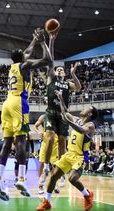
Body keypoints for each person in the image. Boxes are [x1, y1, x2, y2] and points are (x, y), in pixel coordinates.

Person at [0, 28, 52, 201]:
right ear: (23, 58)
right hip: (19, 103)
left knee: (7, 143)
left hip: (7, 103)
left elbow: (26, 52)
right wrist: (42, 42)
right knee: (21, 142)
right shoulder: (26, 65)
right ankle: (22, 179)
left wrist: (33, 40)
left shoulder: (13, 66)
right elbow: (48, 60)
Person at [37, 90, 97, 211]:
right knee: (53, 176)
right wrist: (60, 98)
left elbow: (81, 130)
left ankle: (87, 195)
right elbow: (65, 111)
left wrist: (67, 121)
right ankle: (47, 202)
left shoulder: (90, 126)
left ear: (89, 114)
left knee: (72, 179)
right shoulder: (76, 119)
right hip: (69, 154)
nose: (84, 108)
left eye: (87, 108)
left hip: (80, 157)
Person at [42, 31, 82, 173]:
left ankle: (60, 167)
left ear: (64, 74)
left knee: (62, 141)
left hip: (63, 115)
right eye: (57, 69)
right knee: (51, 138)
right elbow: (50, 60)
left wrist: (73, 74)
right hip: (51, 113)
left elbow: (78, 88)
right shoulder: (51, 78)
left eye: (61, 70)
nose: (59, 70)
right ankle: (46, 164)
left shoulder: (68, 84)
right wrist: (51, 41)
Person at [34, 114, 64, 195]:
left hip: (55, 144)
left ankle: (54, 185)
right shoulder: (43, 117)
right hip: (45, 143)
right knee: (42, 164)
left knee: (55, 166)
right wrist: (39, 131)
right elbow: (35, 126)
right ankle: (40, 185)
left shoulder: (59, 117)